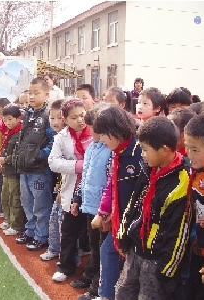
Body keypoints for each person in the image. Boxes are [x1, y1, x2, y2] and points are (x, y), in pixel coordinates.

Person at [115, 116, 191, 300]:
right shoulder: (148, 169)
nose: (142, 154)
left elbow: (180, 230)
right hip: (136, 250)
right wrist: (124, 236)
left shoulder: (182, 182)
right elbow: (134, 204)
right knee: (123, 293)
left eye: (145, 150)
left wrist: (166, 269)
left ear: (165, 150)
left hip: (157, 260)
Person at [78, 105, 142, 300]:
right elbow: (111, 185)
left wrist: (116, 216)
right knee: (108, 252)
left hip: (134, 223)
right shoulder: (117, 151)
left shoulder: (138, 153)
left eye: (103, 134)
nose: (101, 139)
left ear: (115, 131)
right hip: (119, 220)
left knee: (129, 268)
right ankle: (105, 294)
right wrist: (103, 212)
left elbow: (140, 196)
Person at [48, 99, 93, 282]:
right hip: (73, 188)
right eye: (74, 117)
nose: (80, 120)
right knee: (68, 232)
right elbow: (53, 162)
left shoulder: (95, 131)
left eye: (82, 115)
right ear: (65, 119)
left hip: (93, 191)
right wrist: (78, 166)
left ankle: (92, 273)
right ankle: (65, 266)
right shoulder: (61, 137)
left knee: (92, 234)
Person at [69, 103, 111, 297]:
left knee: (103, 250)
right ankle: (91, 275)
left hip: (102, 210)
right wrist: (77, 197)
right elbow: (84, 176)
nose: (90, 130)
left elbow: (110, 183)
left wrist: (105, 212)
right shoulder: (92, 147)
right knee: (95, 246)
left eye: (93, 127)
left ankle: (97, 286)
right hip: (89, 205)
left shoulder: (110, 150)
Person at [15, 77, 56, 251]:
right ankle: (30, 231)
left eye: (36, 93)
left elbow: (53, 140)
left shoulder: (48, 115)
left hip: (39, 169)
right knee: (27, 202)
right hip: (25, 167)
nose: (31, 96)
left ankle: (41, 236)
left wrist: (39, 156)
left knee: (41, 205)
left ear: (46, 94)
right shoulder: (28, 114)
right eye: (30, 93)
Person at [184, 114, 204, 300]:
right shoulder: (197, 174)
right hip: (200, 248)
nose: (189, 154)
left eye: (194, 149)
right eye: (186, 147)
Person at [39, 99, 65, 261]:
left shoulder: (67, 138)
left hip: (68, 187)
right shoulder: (55, 136)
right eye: (52, 118)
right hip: (59, 183)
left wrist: (62, 186)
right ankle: (55, 248)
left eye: (59, 117)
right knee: (54, 218)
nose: (55, 122)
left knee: (63, 222)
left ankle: (66, 255)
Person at [0, 105, 25, 235]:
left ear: (19, 118)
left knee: (15, 198)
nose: (7, 123)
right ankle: (8, 219)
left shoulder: (20, 133)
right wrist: (1, 162)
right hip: (7, 171)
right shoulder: (10, 132)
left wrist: (5, 160)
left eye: (10, 119)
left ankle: (16, 225)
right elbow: (5, 151)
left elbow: (19, 155)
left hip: (14, 172)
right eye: (5, 120)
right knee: (5, 197)